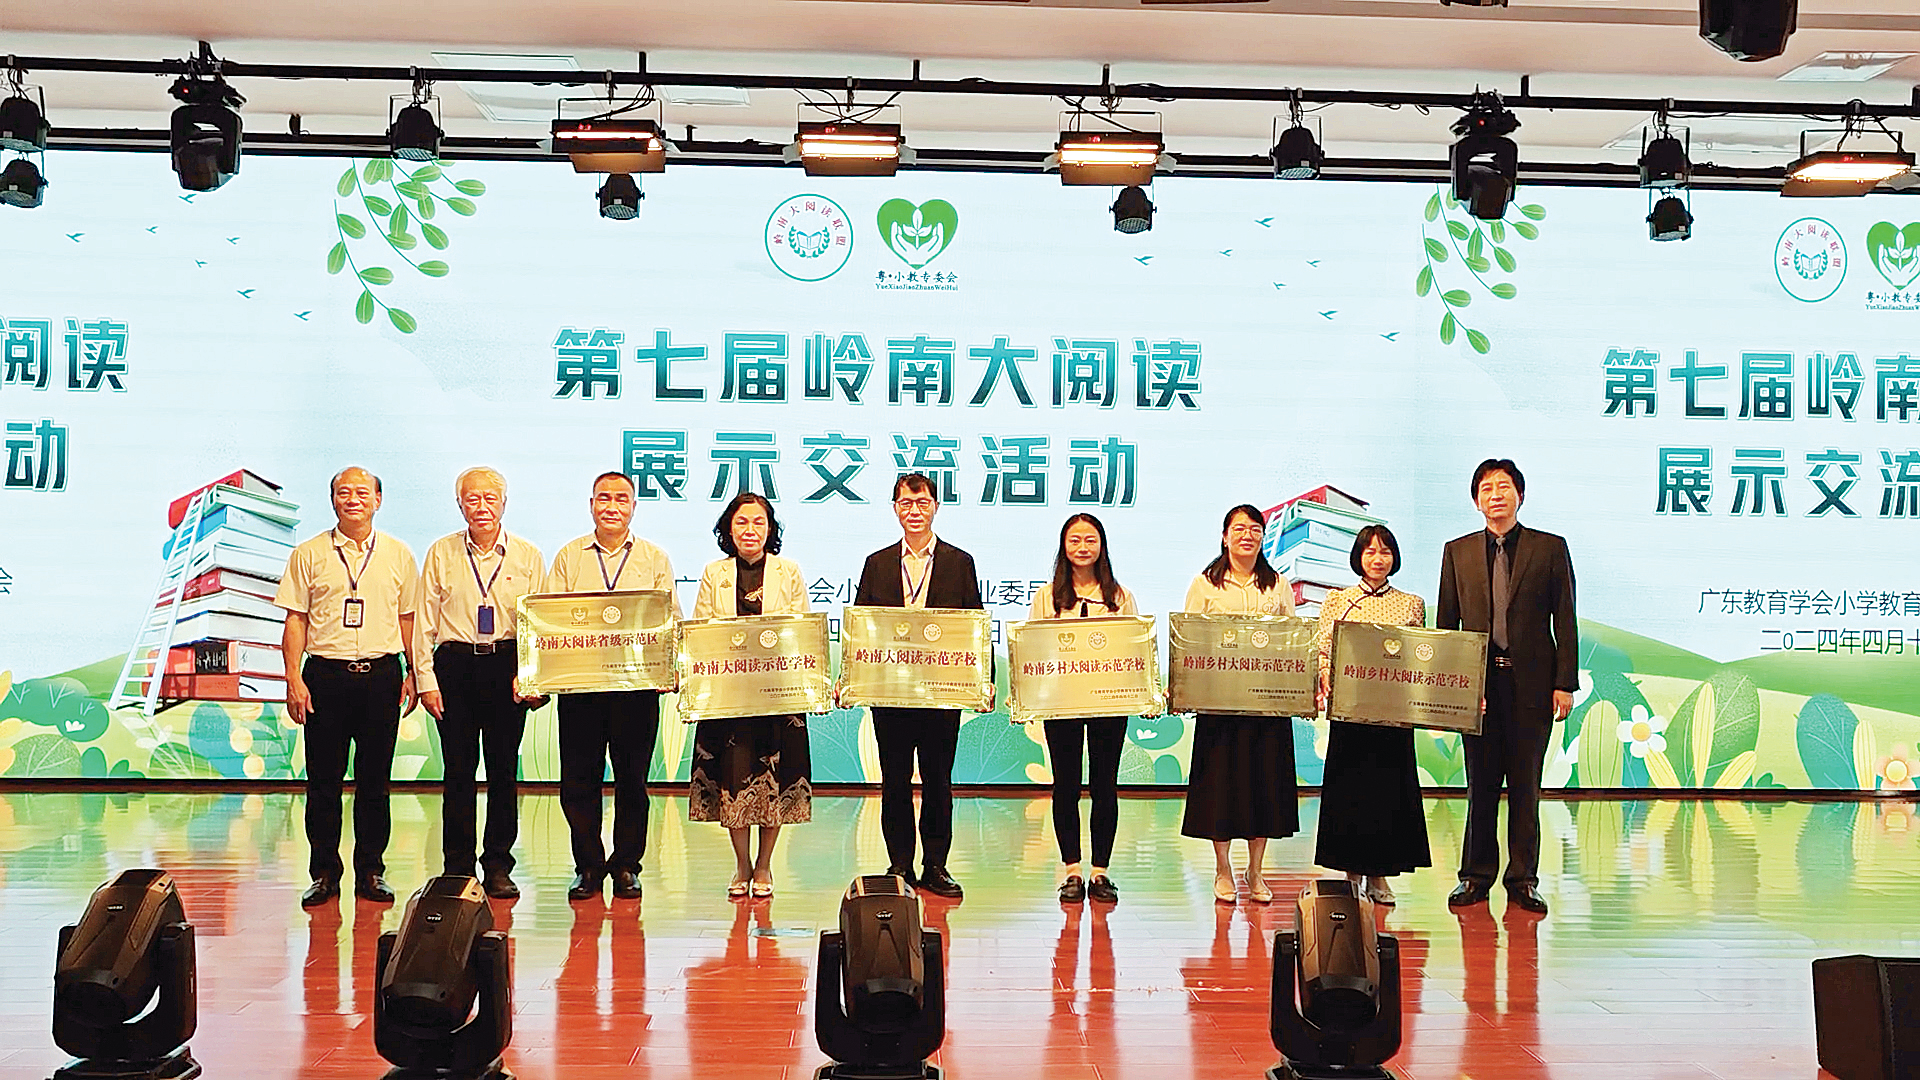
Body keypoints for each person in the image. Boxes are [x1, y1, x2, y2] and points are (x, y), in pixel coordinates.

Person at [1436, 458, 1577, 916]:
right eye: (1486, 488)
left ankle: (1523, 880)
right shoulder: (1456, 552)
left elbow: (1565, 619)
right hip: (1479, 689)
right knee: (1479, 787)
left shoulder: (1549, 548)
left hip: (1532, 687)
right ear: (1476, 501)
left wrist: (1564, 683)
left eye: (1503, 487)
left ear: (1520, 495)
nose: (1495, 495)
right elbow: (1448, 625)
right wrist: (1455, 688)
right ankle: (1475, 877)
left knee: (1525, 787)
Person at [275, 466, 421, 908]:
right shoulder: (309, 553)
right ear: (333, 500)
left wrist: (414, 672)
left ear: (378, 500)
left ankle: (371, 872)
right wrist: (293, 677)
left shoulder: (398, 554)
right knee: (323, 782)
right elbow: (295, 620)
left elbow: (408, 619)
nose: (353, 499)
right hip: (325, 677)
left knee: (375, 782)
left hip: (381, 676)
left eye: (362, 492)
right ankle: (324, 874)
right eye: (343, 492)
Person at [546, 471, 681, 903]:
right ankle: (587, 867)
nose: (612, 506)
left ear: (633, 507)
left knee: (632, 782)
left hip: (635, 691)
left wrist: (669, 669)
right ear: (591, 505)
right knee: (578, 781)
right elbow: (548, 620)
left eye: (621, 499)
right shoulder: (569, 557)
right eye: (603, 498)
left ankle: (626, 866)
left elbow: (671, 620)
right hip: (581, 689)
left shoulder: (654, 558)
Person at [853, 472, 987, 900]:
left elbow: (973, 626)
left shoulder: (959, 562)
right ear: (895, 509)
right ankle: (899, 865)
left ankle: (935, 865)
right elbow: (861, 628)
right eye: (906, 503)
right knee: (893, 780)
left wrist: (982, 682)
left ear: (936, 507)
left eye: (922, 502)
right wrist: (852, 680)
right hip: (890, 694)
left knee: (937, 781)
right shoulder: (876, 563)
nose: (914, 511)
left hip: (941, 695)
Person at [415, 466, 545, 900]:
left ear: (504, 503)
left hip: (506, 667)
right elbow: (424, 623)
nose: (482, 506)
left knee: (504, 771)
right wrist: (426, 680)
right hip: (454, 667)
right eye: (472, 498)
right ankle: (457, 866)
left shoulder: (527, 555)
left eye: (490, 498)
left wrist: (530, 675)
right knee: (458, 771)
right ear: (460, 504)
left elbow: (538, 625)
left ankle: (498, 865)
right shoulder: (441, 552)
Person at [689, 492, 813, 900]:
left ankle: (764, 865)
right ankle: (742, 864)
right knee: (734, 782)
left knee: (774, 782)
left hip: (777, 695)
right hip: (729, 699)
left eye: (759, 522)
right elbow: (702, 631)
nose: (750, 530)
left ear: (770, 529)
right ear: (729, 529)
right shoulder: (714, 573)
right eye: (741, 522)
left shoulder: (788, 571)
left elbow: (801, 631)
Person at [1181, 504, 1298, 904]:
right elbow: (1190, 641)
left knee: (1264, 788)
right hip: (1219, 707)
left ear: (1263, 537)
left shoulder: (1278, 585)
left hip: (1266, 707)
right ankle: (1223, 868)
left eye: (1255, 529)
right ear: (1225, 536)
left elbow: (1292, 642)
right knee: (1221, 788)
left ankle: (1256, 870)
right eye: (1239, 529)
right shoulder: (1205, 584)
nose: (1247, 536)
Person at [1311, 523, 1432, 907]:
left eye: (1385, 551)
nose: (1378, 559)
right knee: (1351, 792)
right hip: (1350, 715)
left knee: (1387, 793)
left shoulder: (1411, 604)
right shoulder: (1338, 600)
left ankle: (1380, 875)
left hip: (1393, 717)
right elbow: (1323, 651)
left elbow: (1419, 656)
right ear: (1358, 557)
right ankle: (1351, 874)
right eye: (1370, 551)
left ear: (1394, 557)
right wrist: (1326, 675)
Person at [1029, 513, 1137, 905]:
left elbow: (1134, 649)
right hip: (1062, 705)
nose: (1082, 547)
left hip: (1110, 704)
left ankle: (1100, 872)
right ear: (1064, 546)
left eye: (1090, 540)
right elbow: (1033, 650)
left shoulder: (1120, 596)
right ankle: (1072, 871)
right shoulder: (1047, 597)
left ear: (1102, 546)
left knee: (1105, 784)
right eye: (1074, 540)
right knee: (1066, 785)